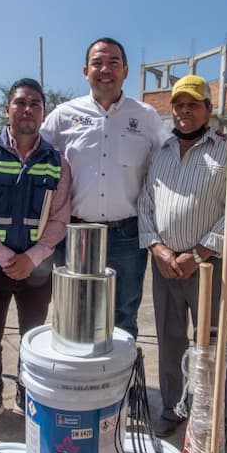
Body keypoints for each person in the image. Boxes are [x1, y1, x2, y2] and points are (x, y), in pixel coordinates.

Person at [137, 74, 227, 453]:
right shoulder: (161, 151)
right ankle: (172, 412)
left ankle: (224, 428)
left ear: (209, 109)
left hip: (207, 267)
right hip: (165, 265)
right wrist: (159, 248)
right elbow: (145, 205)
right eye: (179, 105)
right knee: (170, 343)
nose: (185, 111)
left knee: (213, 348)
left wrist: (197, 253)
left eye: (193, 104)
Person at [0, 78, 72, 434]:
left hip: (37, 271)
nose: (28, 109)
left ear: (43, 112)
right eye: (21, 102)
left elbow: (59, 219)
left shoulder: (57, 162)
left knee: (33, 337)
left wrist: (32, 258)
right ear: (8, 108)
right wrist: (2, 256)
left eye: (35, 104)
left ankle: (28, 394)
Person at [41, 37, 167, 339]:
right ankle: (79, 383)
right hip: (74, 235)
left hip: (126, 236)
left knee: (123, 314)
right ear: (86, 71)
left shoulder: (146, 116)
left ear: (125, 70)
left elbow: (173, 154)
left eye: (113, 62)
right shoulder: (64, 115)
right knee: (73, 315)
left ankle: (120, 385)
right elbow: (30, 149)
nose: (105, 69)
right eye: (97, 62)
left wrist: (212, 141)